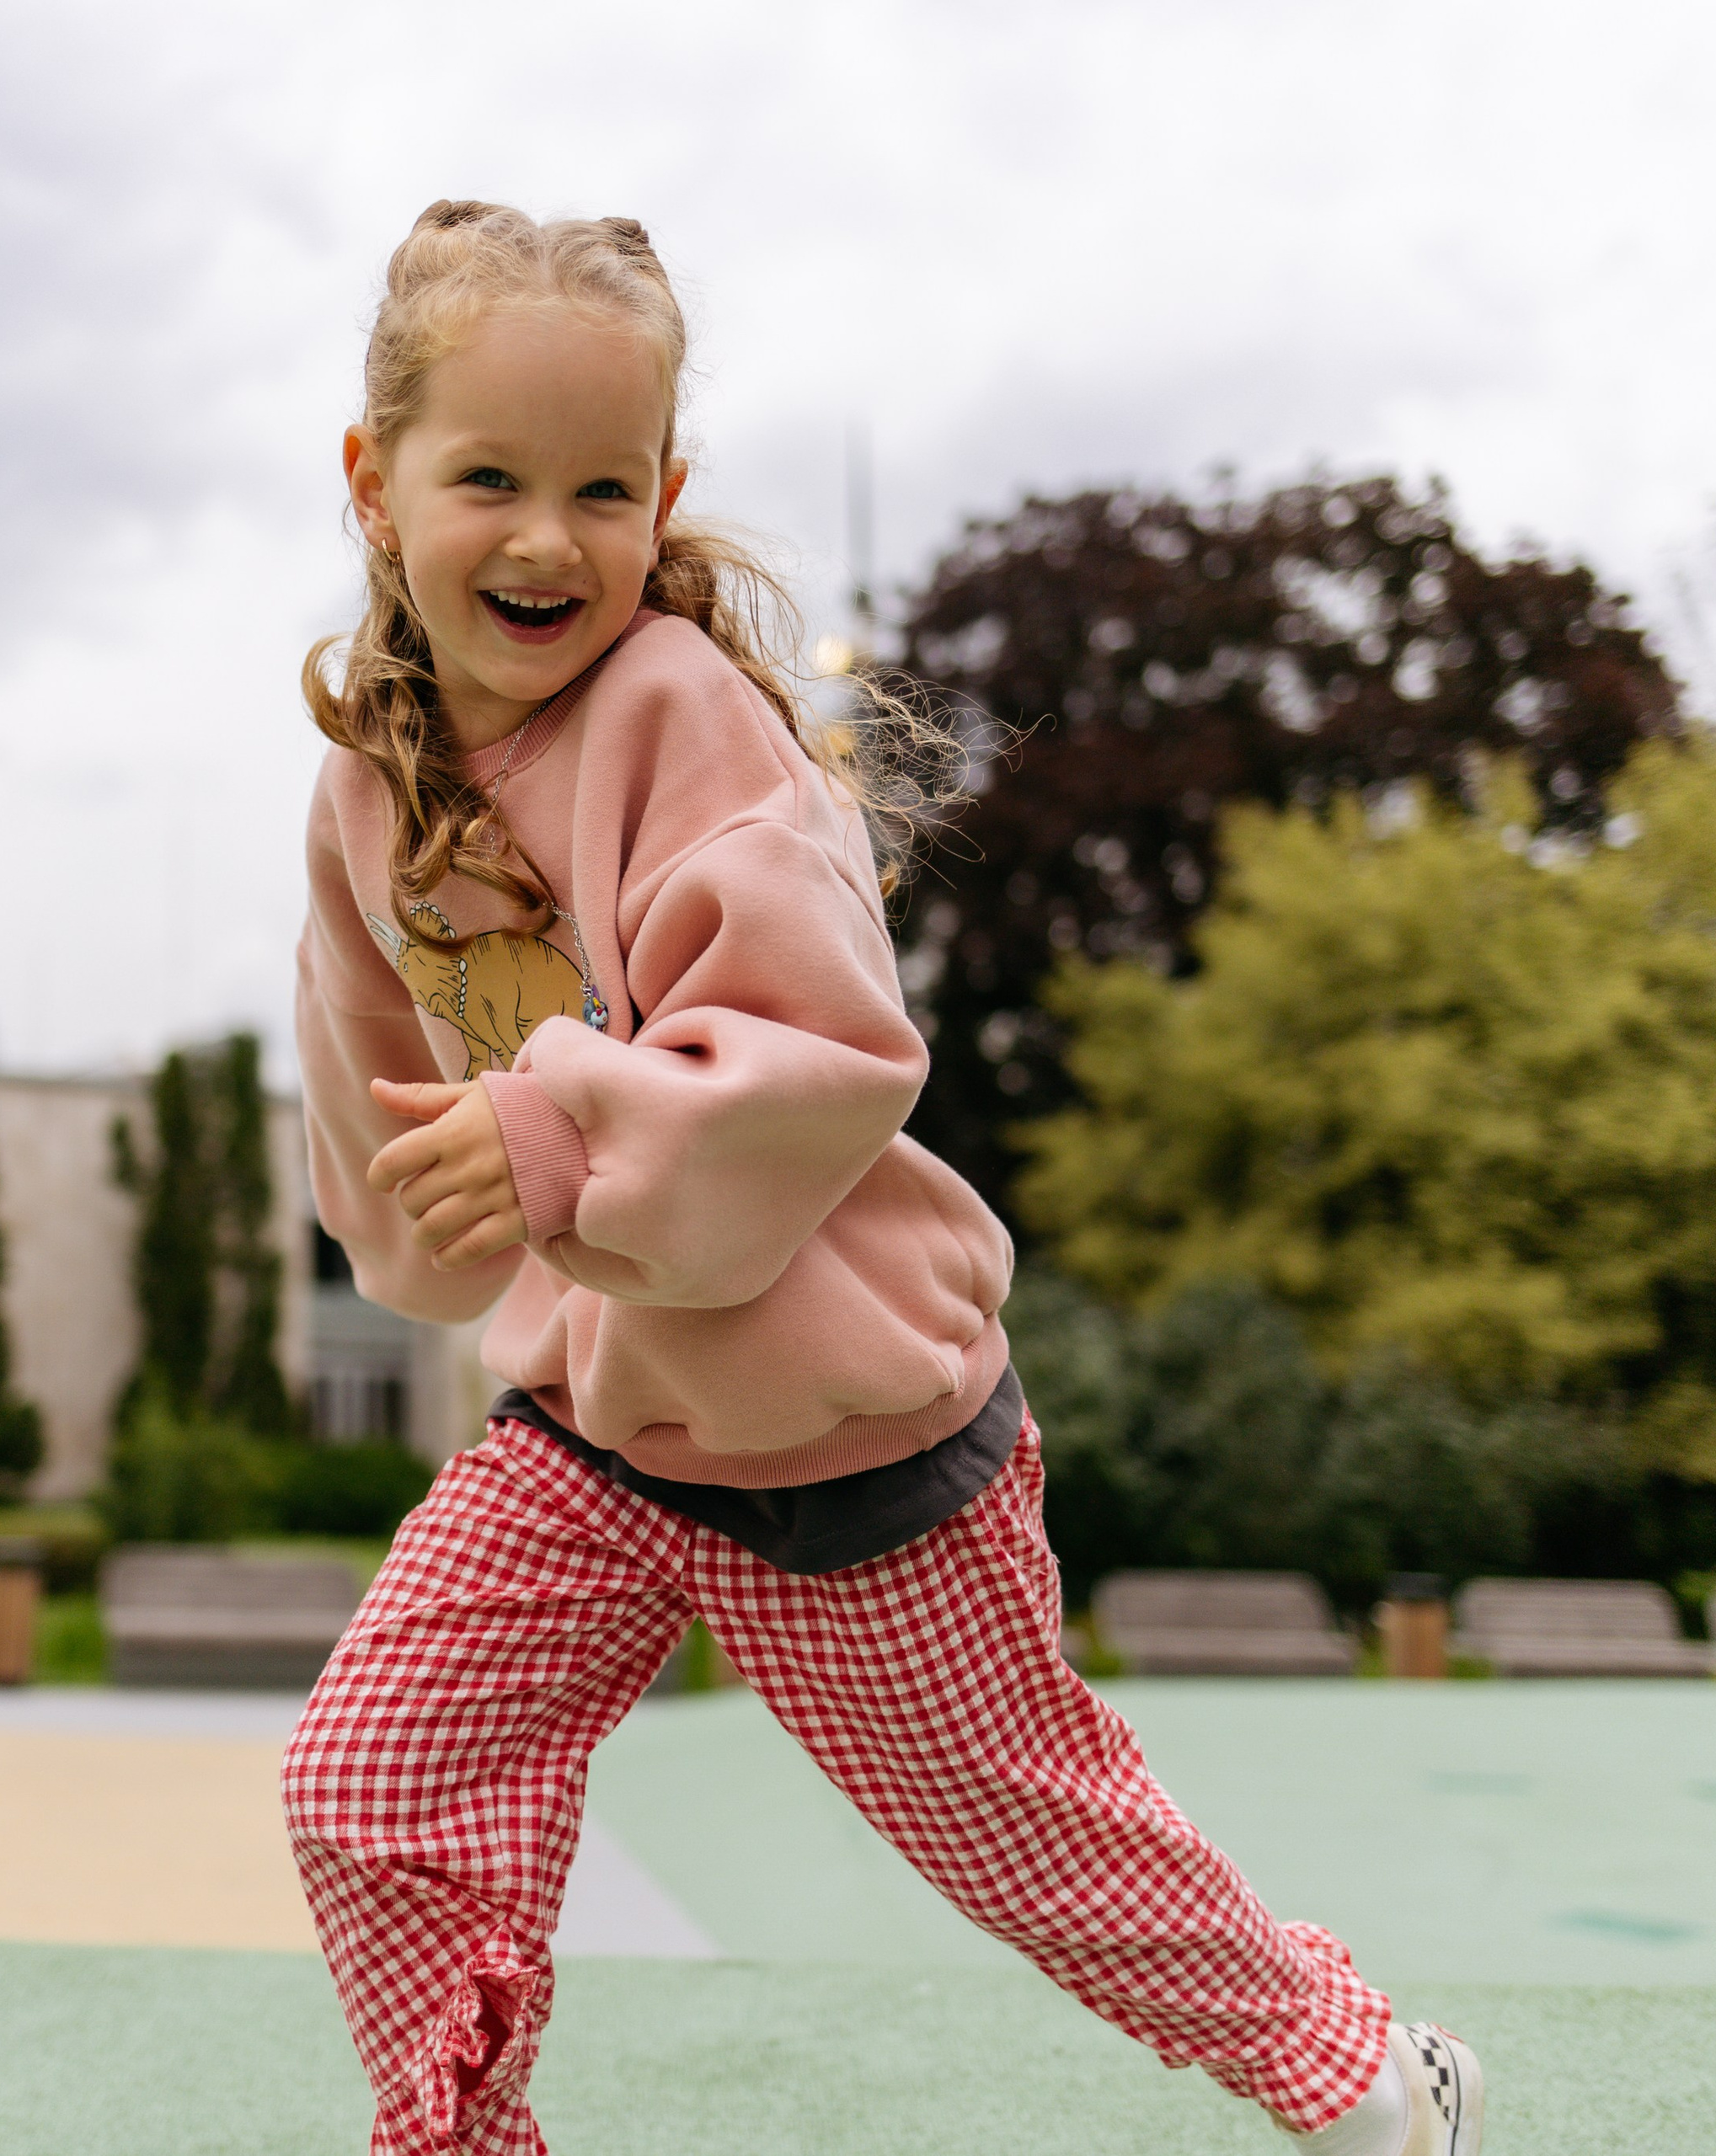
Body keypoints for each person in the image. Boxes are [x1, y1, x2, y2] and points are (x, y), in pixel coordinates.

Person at [282, 200, 1482, 2156]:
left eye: (599, 486)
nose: (540, 536)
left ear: (660, 495)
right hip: (593, 1422)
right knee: (369, 1772)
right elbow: (371, 1084)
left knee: (1029, 1834)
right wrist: (412, 1207)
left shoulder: (684, 714)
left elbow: (817, 1044)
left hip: (837, 1423)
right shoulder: (360, 794)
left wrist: (550, 1129)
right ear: (373, 478)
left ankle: (1358, 2075)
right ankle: (457, 2136)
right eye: (483, 474)